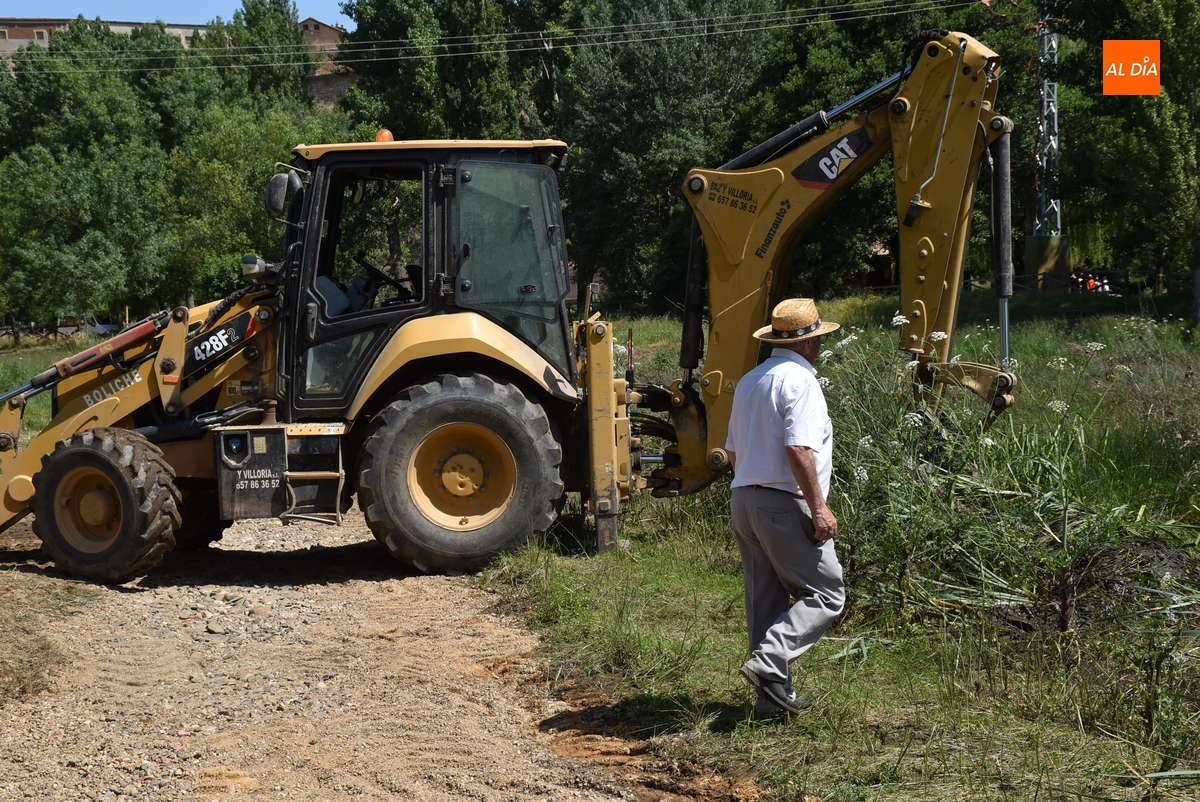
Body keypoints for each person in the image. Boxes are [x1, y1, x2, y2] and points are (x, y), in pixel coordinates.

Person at [725, 297, 845, 716]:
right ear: (810, 343)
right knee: (828, 593)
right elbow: (799, 449)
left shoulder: (750, 381)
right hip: (783, 501)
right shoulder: (802, 382)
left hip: (744, 498)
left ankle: (771, 702)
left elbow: (733, 451)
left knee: (766, 599)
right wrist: (819, 508)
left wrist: (754, 492)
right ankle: (771, 658)